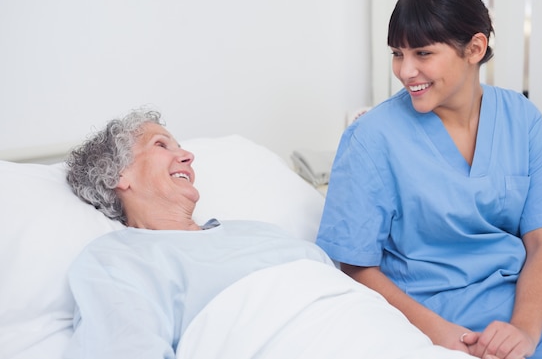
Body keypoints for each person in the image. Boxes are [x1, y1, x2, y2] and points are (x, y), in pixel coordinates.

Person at [315, 0, 542, 359]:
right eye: (397, 53)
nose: (405, 70)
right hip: (439, 325)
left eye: (423, 54)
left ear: (475, 48)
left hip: (528, 314)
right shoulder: (371, 138)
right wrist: (439, 334)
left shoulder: (521, 118)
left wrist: (524, 331)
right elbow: (356, 269)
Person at [63, 109, 476, 359]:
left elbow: (351, 304)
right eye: (162, 145)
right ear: (118, 175)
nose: (186, 155)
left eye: (180, 146)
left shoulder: (259, 232)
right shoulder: (117, 258)